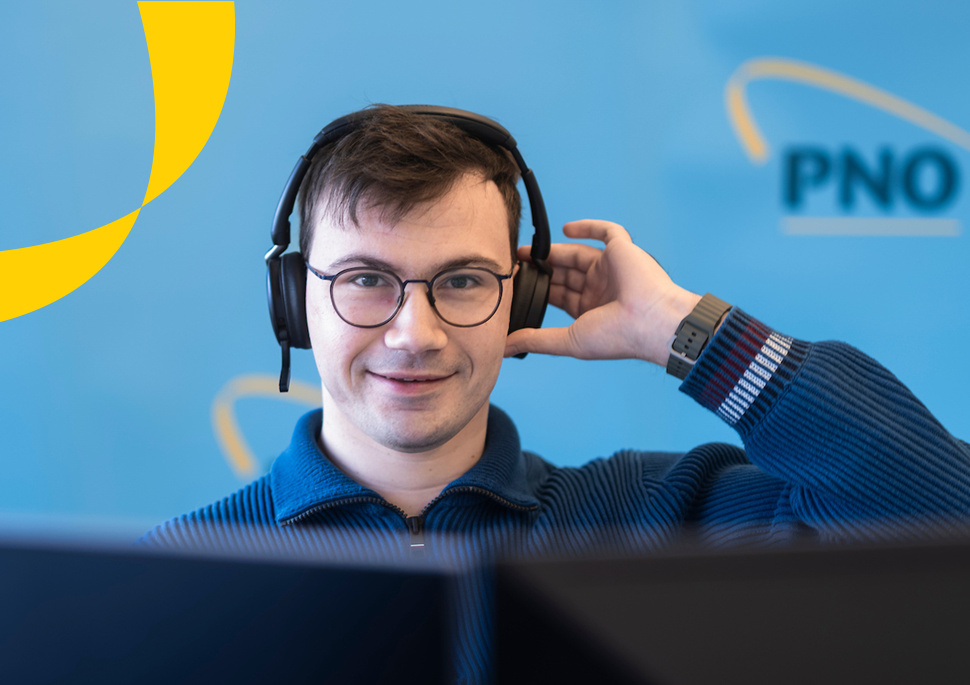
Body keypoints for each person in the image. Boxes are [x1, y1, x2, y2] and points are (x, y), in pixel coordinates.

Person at [143, 104, 970, 682]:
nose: (414, 334)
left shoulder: (654, 518)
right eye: (365, 279)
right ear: (294, 299)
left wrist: (685, 330)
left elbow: (945, 515)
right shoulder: (180, 581)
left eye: (463, 280)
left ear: (524, 296)